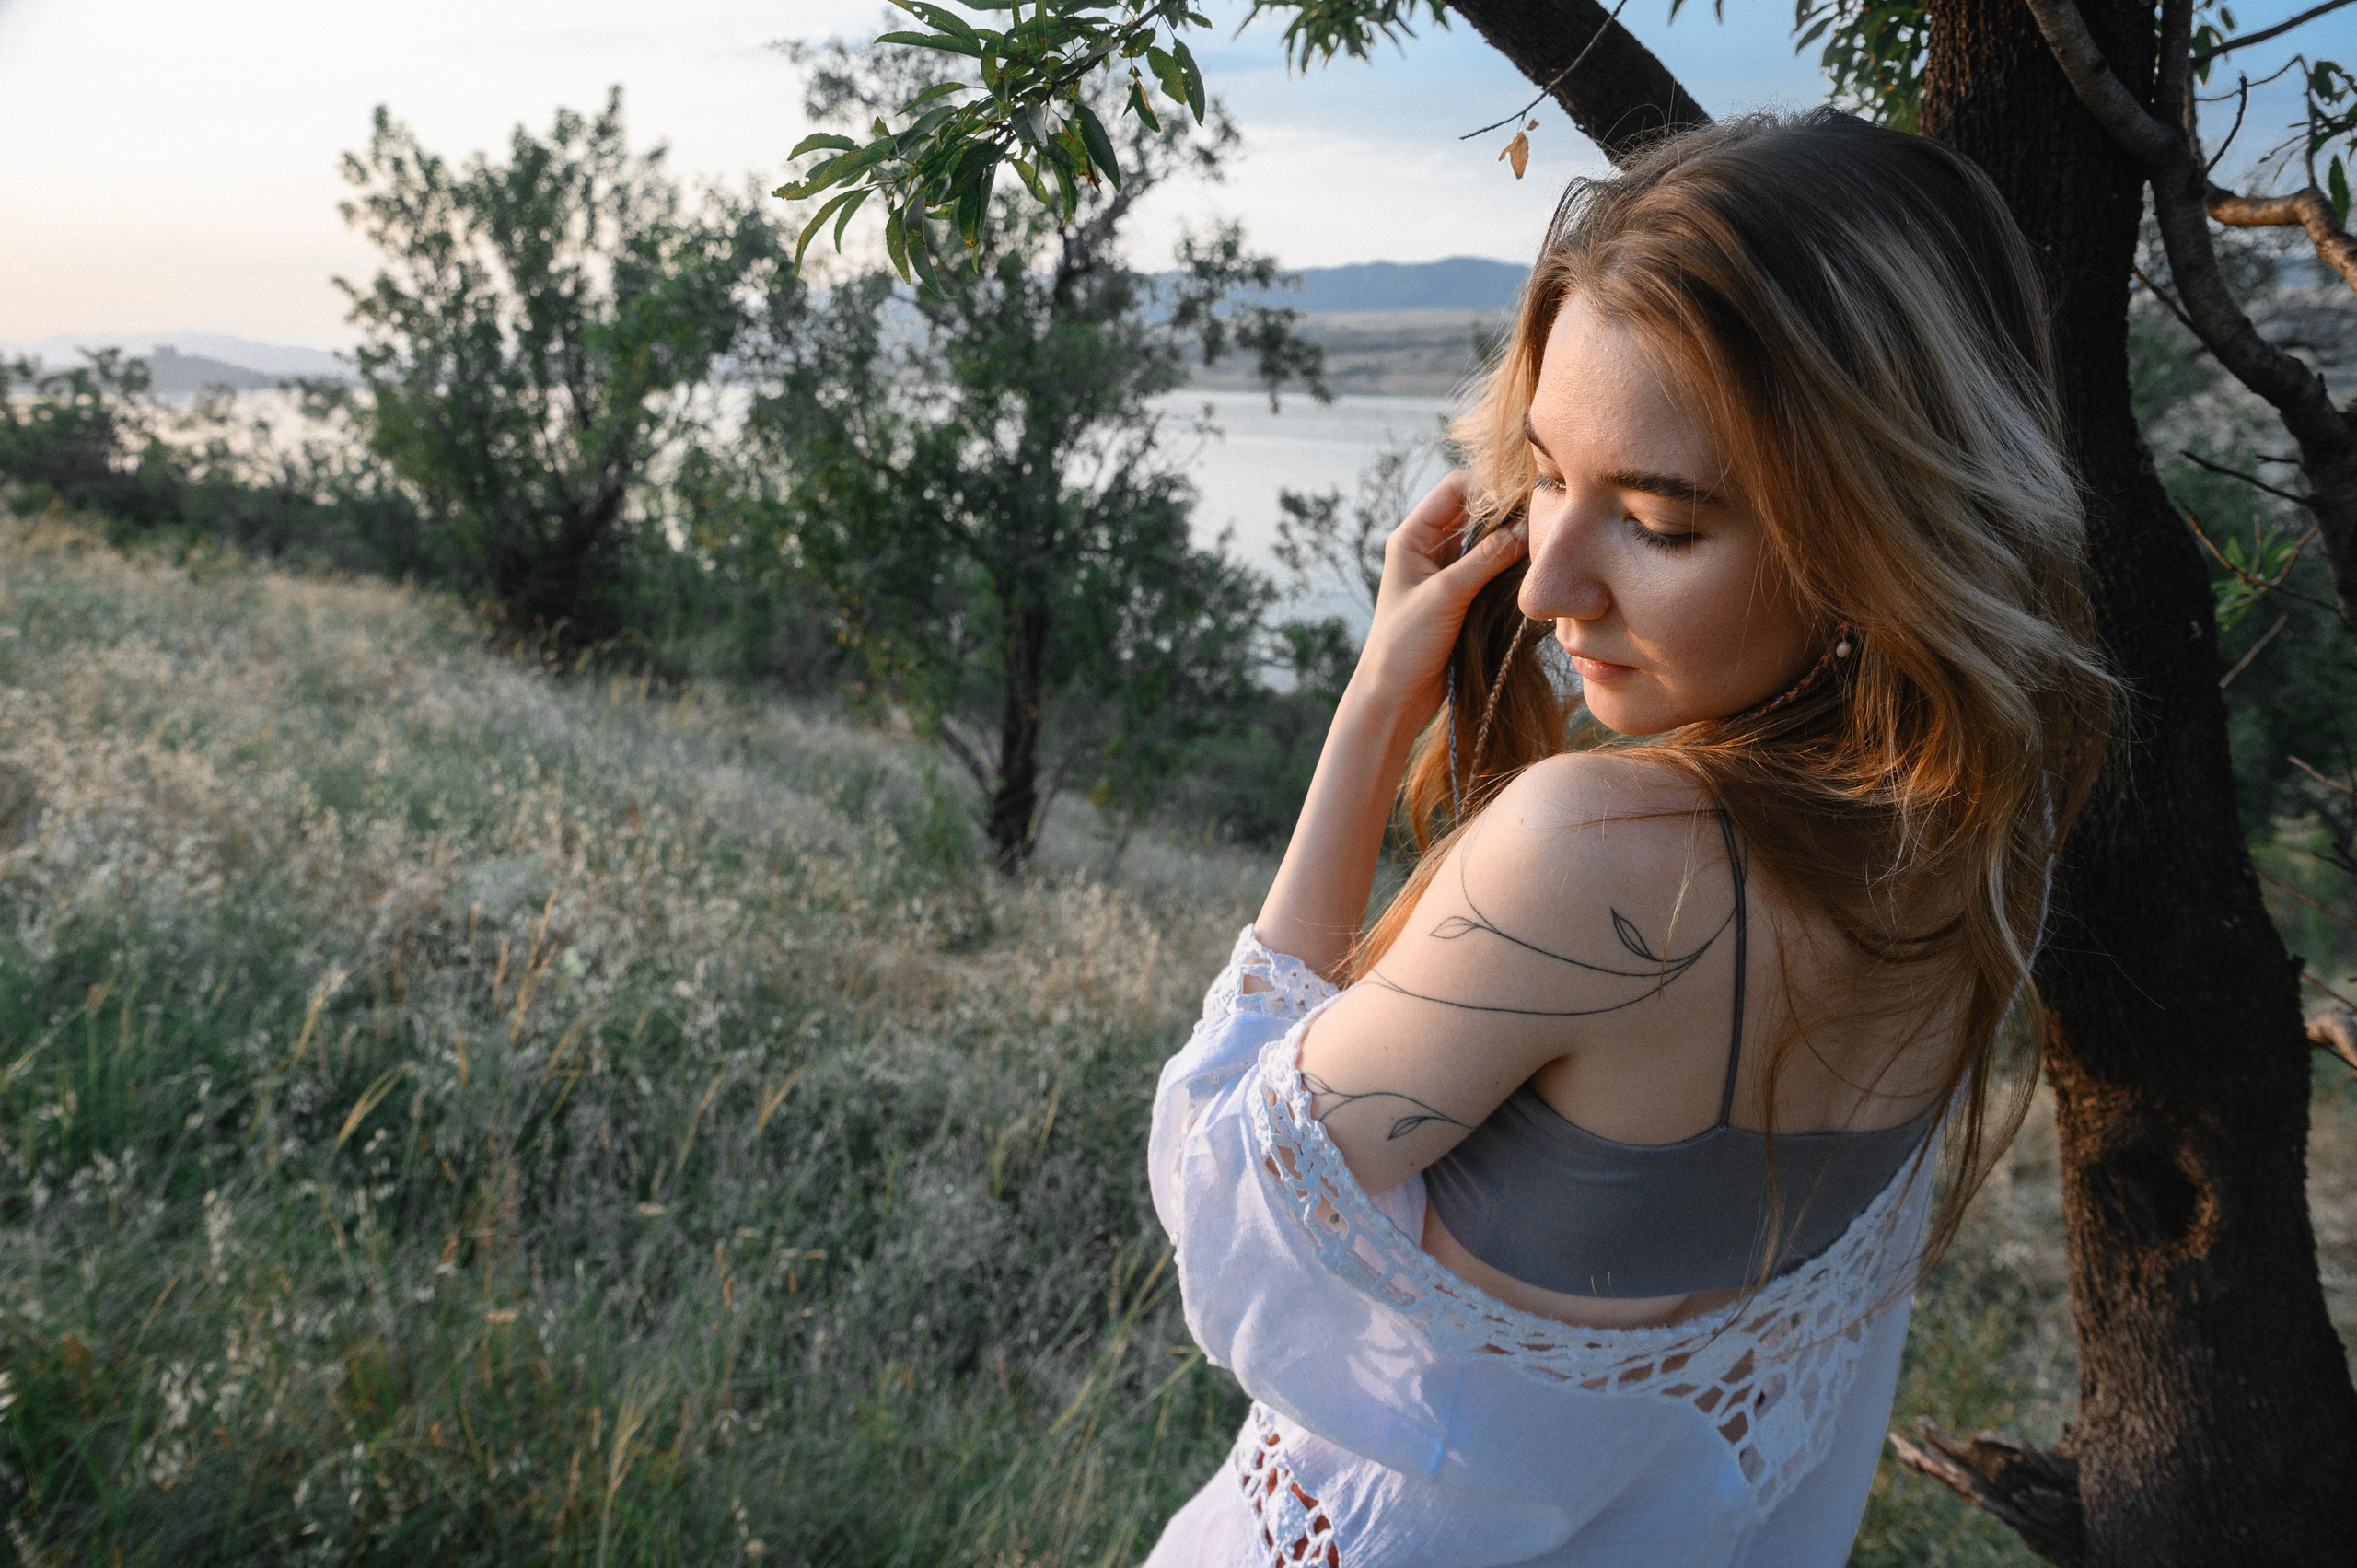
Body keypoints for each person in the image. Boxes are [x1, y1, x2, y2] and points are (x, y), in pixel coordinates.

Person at [1142, 110, 2119, 1567]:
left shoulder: (1607, 858)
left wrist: (1372, 711)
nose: (1541, 587)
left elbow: (1228, 1201)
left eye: (1660, 524)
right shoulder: (1985, 832)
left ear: (1882, 532)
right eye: (1545, 477)